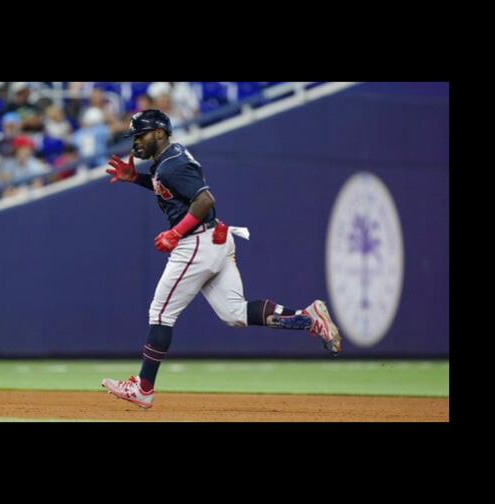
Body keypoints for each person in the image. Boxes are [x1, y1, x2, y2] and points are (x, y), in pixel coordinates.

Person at [100, 110, 342, 409]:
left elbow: (205, 200)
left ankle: (144, 388)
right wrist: (136, 178)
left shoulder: (172, 163)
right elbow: (170, 187)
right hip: (214, 238)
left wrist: (175, 233)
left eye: (141, 135)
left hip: (196, 242)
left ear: (159, 133)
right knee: (235, 314)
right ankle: (309, 318)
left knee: (161, 314)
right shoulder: (168, 160)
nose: (136, 142)